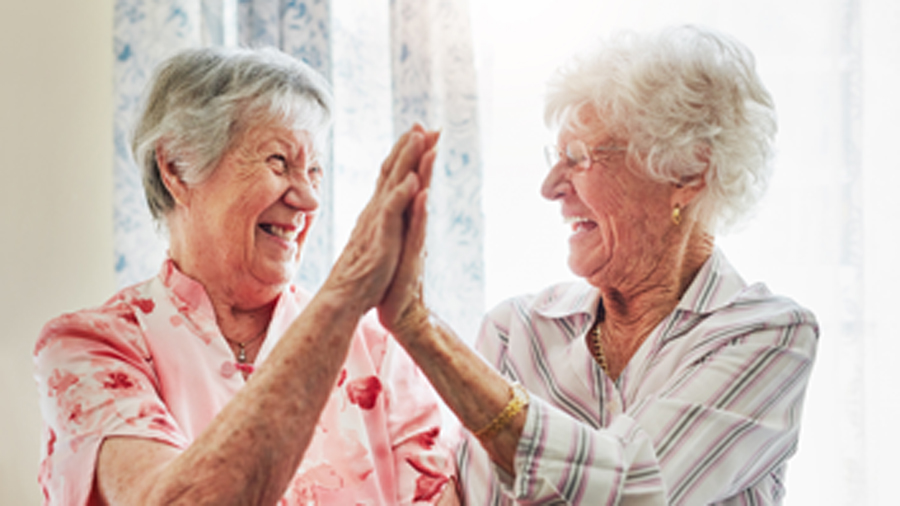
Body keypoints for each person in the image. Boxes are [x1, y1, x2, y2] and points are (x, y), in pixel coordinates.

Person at [377, 25, 819, 505]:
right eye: (556, 156)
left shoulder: (769, 334)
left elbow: (635, 489)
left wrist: (421, 331)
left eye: (578, 157)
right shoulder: (516, 333)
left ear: (687, 173)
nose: (550, 186)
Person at [34, 47, 457, 505]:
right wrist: (344, 295)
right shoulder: (94, 348)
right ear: (176, 167)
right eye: (279, 162)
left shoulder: (379, 350)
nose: (309, 199)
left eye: (314, 171)